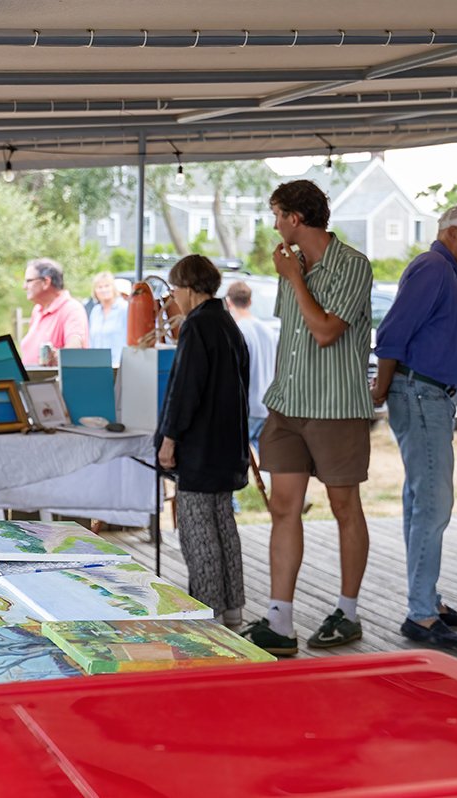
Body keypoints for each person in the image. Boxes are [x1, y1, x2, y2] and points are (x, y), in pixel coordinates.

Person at [238, 179, 373, 657]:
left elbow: (325, 331)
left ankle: (348, 612)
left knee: (344, 507)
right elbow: (294, 331)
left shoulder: (353, 265)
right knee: (282, 508)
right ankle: (280, 621)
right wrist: (292, 275)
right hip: (288, 404)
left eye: (278, 215)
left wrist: (295, 278)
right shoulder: (290, 264)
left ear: (295, 218)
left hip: (335, 407)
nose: (275, 225)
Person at [371, 206, 457, 650]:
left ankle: (427, 601)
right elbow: (392, 334)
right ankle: (422, 614)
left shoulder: (442, 270)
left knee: (422, 502)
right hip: (420, 393)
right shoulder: (433, 267)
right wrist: (382, 387)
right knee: (432, 505)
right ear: (451, 233)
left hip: (426, 395)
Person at [157, 255, 251, 629]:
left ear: (191, 288)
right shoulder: (227, 323)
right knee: (224, 529)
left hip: (200, 448)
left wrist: (169, 439)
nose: (174, 297)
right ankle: (232, 610)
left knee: (198, 534)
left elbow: (185, 390)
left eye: (176, 289)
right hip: (227, 445)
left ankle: (208, 617)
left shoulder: (197, 326)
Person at [225, 280, 276, 451]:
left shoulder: (237, 332)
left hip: (247, 406)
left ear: (228, 302)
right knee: (263, 459)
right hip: (267, 406)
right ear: (250, 302)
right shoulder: (268, 331)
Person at [20, 258, 89, 366]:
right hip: (31, 376)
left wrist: (56, 356)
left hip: (52, 377)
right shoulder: (37, 310)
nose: (24, 287)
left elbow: (74, 349)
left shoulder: (71, 308)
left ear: (46, 282)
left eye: (29, 281)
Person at [88, 271, 130, 366]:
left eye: (107, 286)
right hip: (98, 366)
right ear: (95, 291)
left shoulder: (125, 308)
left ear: (113, 288)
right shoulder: (95, 311)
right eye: (99, 287)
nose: (103, 290)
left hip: (119, 366)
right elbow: (91, 341)